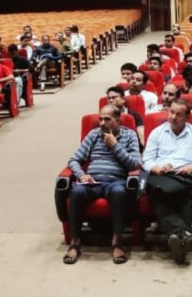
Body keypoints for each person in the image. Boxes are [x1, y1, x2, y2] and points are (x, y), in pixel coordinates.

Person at [63, 104, 141, 266]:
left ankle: (117, 242)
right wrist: (82, 175)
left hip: (116, 181)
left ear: (118, 120)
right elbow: (74, 160)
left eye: (107, 119)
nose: (102, 123)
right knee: (77, 192)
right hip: (93, 181)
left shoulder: (130, 135)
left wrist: (115, 145)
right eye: (100, 119)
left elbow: (134, 164)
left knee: (119, 193)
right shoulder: (94, 134)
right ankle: (75, 242)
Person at [141, 99, 192, 265]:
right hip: (162, 176)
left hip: (185, 175)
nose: (173, 117)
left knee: (169, 195)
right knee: (161, 190)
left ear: (187, 117)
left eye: (178, 114)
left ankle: (176, 235)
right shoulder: (157, 133)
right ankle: (183, 234)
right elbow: (147, 159)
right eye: (171, 112)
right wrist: (156, 168)